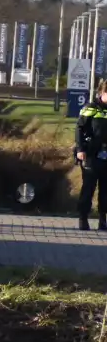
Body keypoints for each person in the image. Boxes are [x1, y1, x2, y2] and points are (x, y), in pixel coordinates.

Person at [74, 80, 107, 231]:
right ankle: (83, 218)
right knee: (88, 188)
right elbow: (79, 129)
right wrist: (81, 149)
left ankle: (103, 219)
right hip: (92, 155)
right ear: (102, 92)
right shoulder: (91, 108)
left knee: (105, 190)